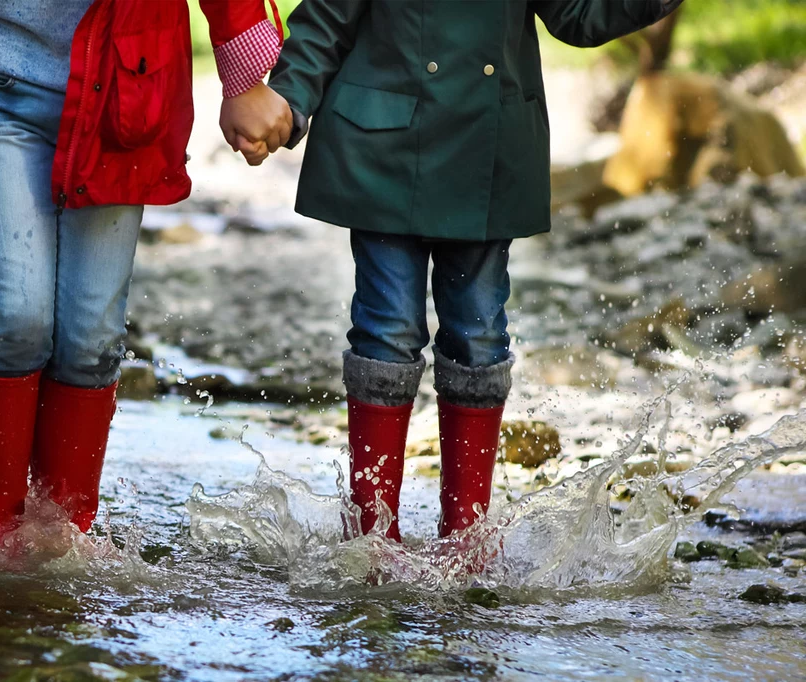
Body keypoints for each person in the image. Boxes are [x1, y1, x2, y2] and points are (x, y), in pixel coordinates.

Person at [0, 0, 293, 558]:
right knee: (16, 319)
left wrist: (245, 78)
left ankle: (62, 543)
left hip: (125, 92)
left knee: (90, 342)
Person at [255, 0, 684, 541]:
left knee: (479, 334)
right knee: (386, 328)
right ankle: (369, 539)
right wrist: (289, 100)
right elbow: (325, 19)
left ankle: (466, 539)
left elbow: (578, 15)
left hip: (488, 146)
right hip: (383, 148)